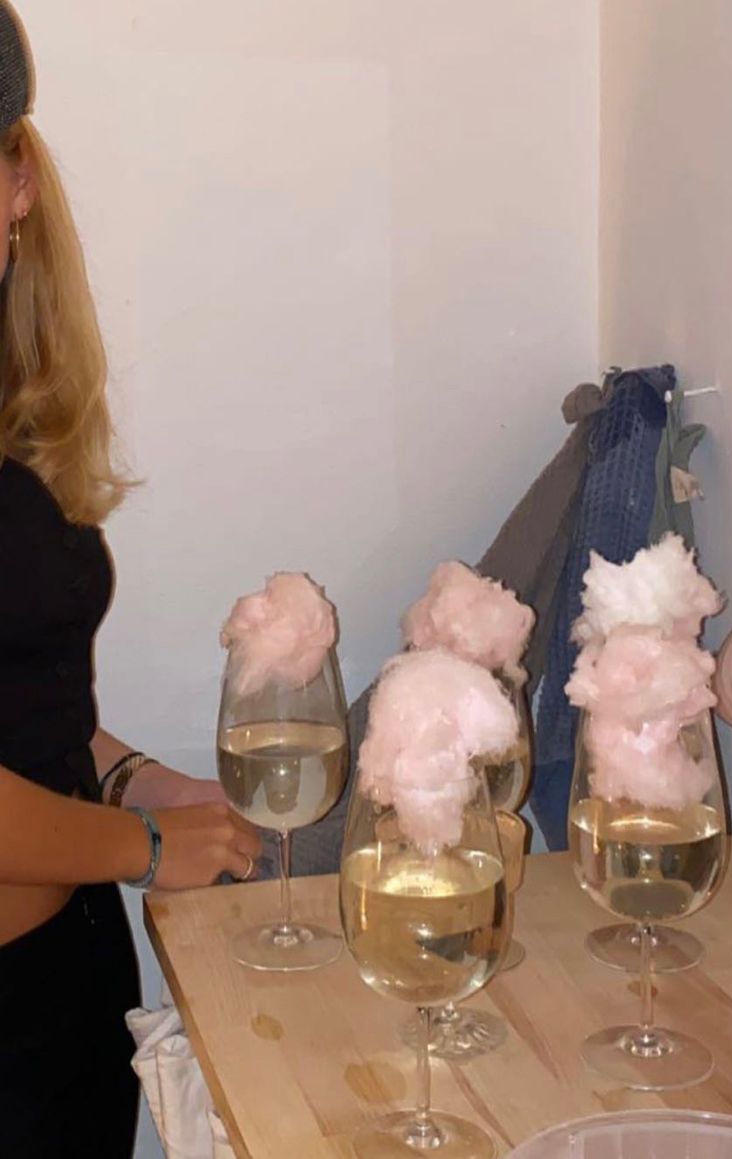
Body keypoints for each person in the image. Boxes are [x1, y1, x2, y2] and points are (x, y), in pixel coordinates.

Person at [0, 5, 261, 1156]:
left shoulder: (14, 422)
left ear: (18, 183)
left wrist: (135, 783)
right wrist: (150, 854)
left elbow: (25, 696)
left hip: (61, 983)